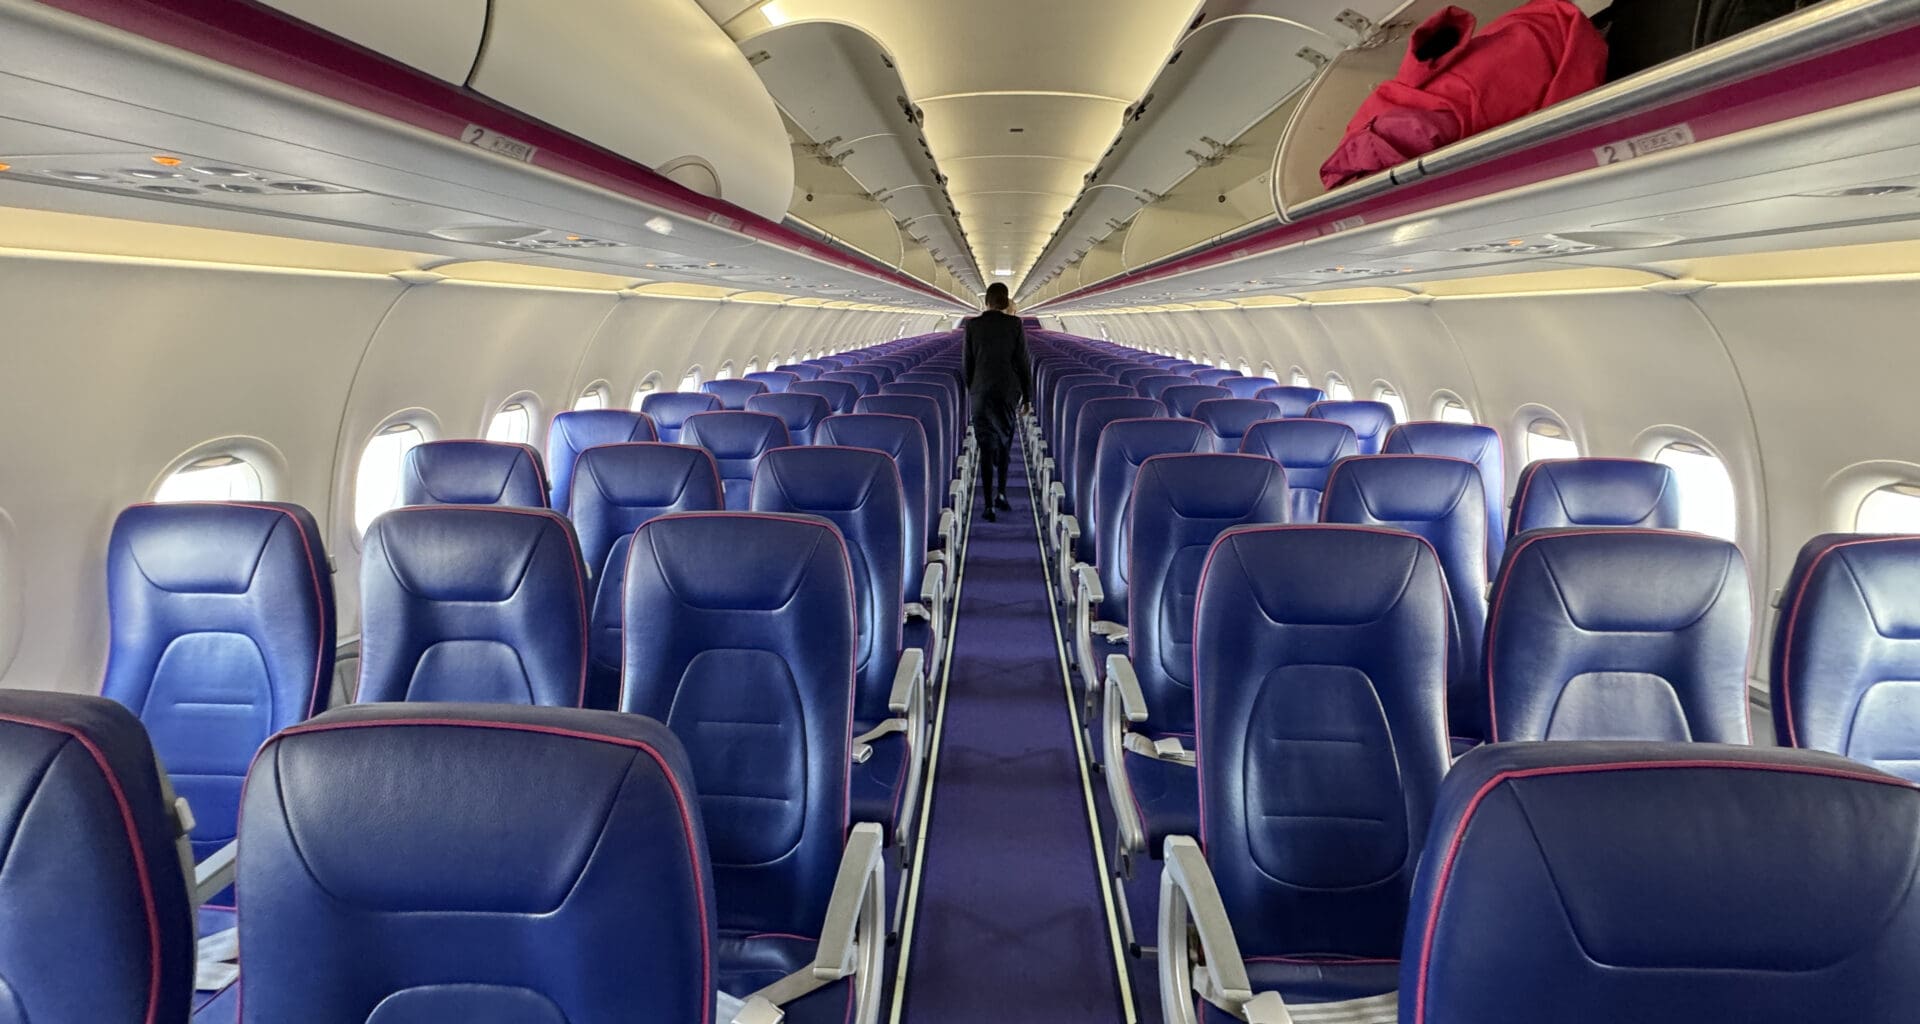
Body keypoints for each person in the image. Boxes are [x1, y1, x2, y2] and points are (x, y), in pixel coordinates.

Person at [963, 282, 1031, 522]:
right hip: (1006, 393)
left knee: (984, 448)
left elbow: (967, 364)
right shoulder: (1014, 324)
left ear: (987, 302)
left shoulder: (973, 325)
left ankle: (988, 504)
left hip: (981, 394)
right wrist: (1027, 396)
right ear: (1005, 301)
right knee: (1004, 444)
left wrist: (972, 392)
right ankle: (1002, 494)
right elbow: (1022, 362)